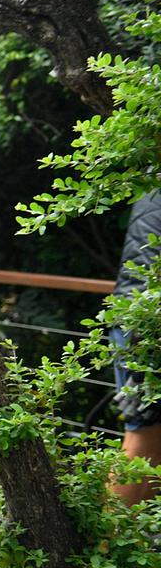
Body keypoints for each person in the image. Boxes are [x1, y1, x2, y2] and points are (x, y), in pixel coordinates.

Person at [111, 191, 161, 505]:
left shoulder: (151, 187)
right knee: (144, 440)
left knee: (150, 444)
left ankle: (130, 545)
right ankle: (104, 547)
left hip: (136, 321)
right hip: (147, 330)